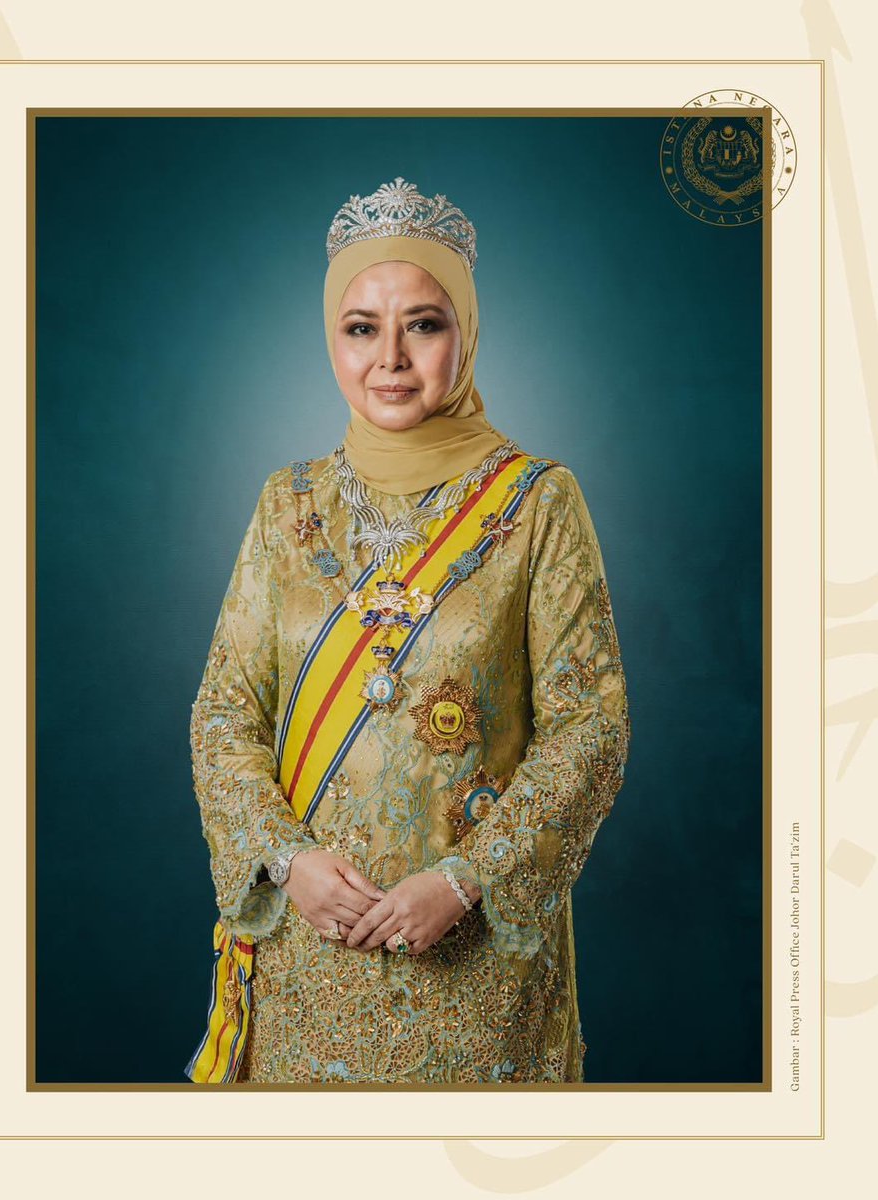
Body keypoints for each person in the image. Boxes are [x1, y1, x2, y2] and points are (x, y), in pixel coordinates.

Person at [185, 176, 631, 1085]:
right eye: (361, 328)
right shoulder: (288, 503)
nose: (390, 357)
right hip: (312, 958)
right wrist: (289, 858)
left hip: (481, 977)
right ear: (331, 339)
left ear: (465, 333)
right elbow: (223, 716)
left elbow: (592, 726)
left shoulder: (538, 502)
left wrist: (466, 880)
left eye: (423, 324)